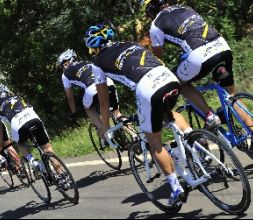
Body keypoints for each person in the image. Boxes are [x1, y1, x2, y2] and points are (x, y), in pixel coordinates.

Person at [84, 23, 194, 206]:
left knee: (154, 142)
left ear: (93, 47)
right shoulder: (130, 44)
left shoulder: (97, 64)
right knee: (169, 115)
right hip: (168, 77)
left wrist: (105, 126)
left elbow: (104, 103)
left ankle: (176, 188)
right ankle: (196, 143)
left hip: (148, 87)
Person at [139, 0, 253, 130]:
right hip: (222, 46)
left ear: (150, 11)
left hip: (199, 54)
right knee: (232, 96)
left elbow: (157, 58)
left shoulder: (156, 24)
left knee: (177, 82)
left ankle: (210, 116)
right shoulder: (185, 8)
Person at [0, 87, 69, 188]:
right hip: (33, 117)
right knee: (47, 148)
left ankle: (32, 162)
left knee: (20, 144)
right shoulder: (16, 96)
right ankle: (62, 176)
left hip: (18, 123)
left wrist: (2, 144)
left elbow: (1, 132)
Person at [57, 49, 122, 130]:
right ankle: (134, 134)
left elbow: (70, 98)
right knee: (117, 113)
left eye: (63, 64)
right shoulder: (87, 62)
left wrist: (74, 112)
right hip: (108, 82)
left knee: (88, 108)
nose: (63, 67)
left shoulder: (65, 75)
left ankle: (105, 132)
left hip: (92, 88)